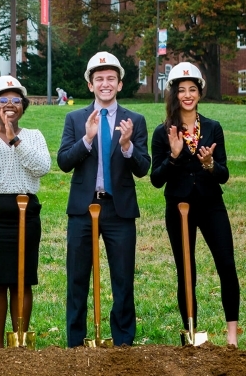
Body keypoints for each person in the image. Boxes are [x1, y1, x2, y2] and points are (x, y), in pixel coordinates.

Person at [57, 51, 150, 347]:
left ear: (120, 84)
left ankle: (123, 342)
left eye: (111, 78)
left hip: (119, 210)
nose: (105, 84)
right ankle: (75, 341)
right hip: (84, 208)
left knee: (123, 279)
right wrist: (86, 139)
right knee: (77, 278)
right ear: (90, 85)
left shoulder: (134, 120)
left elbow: (143, 167)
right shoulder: (76, 118)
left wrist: (126, 146)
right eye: (99, 79)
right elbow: (63, 162)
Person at [149, 62, 240, 346]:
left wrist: (211, 165)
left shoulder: (213, 128)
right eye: (181, 90)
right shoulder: (162, 132)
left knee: (226, 263)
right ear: (173, 94)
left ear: (200, 92)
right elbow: (156, 179)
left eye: (192, 89)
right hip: (179, 208)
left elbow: (224, 175)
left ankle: (232, 336)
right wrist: (174, 156)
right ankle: (191, 333)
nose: (187, 95)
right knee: (186, 269)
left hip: (211, 204)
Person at [0, 75, 51, 348]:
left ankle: (19, 344)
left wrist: (14, 139)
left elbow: (41, 167)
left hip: (25, 214)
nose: (10, 105)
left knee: (21, 281)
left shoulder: (34, 136)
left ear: (23, 106)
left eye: (16, 100)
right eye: (3, 100)